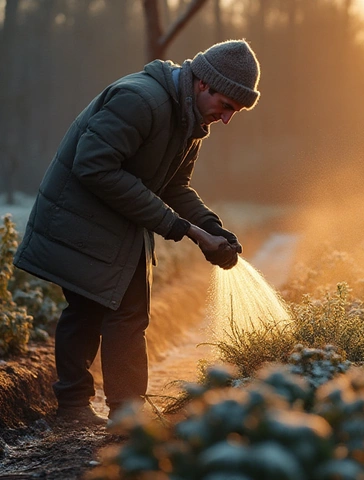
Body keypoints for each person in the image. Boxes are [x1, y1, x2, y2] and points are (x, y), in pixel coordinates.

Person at [13, 39, 261, 426]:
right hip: (79, 221)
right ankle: (80, 409)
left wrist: (213, 227)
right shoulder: (140, 100)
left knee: (127, 315)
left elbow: (174, 186)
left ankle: (123, 413)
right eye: (227, 105)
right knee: (89, 311)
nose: (226, 118)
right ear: (203, 84)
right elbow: (94, 166)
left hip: (118, 224)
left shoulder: (190, 123)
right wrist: (184, 229)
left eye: (236, 112)